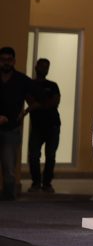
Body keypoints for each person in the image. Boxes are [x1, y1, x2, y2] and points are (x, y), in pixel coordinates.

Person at [0, 46, 32, 200]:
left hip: (12, 129)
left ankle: (9, 200)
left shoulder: (21, 80)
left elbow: (39, 98)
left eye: (9, 60)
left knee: (9, 167)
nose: (6, 62)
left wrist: (25, 112)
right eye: (3, 60)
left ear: (14, 61)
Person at [26, 58, 61, 193]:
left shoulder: (53, 85)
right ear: (36, 67)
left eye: (47, 67)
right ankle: (36, 183)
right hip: (37, 126)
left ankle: (47, 183)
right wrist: (45, 103)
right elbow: (30, 102)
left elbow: (55, 103)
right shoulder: (30, 85)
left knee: (50, 156)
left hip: (53, 125)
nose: (44, 69)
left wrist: (38, 104)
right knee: (33, 155)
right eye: (42, 66)